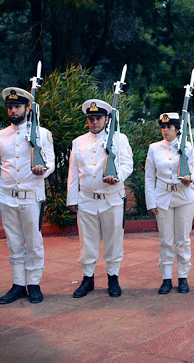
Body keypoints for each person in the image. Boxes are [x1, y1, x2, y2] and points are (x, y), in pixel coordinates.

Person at [0, 87, 55, 304]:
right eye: (10, 107)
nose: (13, 111)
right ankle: (18, 284)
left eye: (17, 107)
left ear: (28, 108)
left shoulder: (41, 134)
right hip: (7, 197)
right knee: (14, 242)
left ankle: (33, 283)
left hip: (31, 196)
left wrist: (43, 170)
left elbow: (51, 162)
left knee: (33, 241)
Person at [67, 99, 133, 298]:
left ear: (106, 119)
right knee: (87, 241)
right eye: (91, 118)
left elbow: (128, 164)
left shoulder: (119, 139)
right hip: (87, 199)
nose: (94, 122)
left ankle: (113, 277)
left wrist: (118, 176)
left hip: (111, 199)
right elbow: (73, 172)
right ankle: (88, 279)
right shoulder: (78, 142)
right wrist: (72, 199)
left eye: (98, 118)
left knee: (113, 240)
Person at [145, 113, 194, 294]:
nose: (165, 130)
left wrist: (190, 178)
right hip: (163, 196)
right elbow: (149, 176)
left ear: (177, 128)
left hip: (183, 197)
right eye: (163, 127)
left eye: (169, 127)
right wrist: (150, 202)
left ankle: (183, 276)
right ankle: (166, 277)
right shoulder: (154, 148)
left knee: (182, 239)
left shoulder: (187, 147)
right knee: (165, 240)